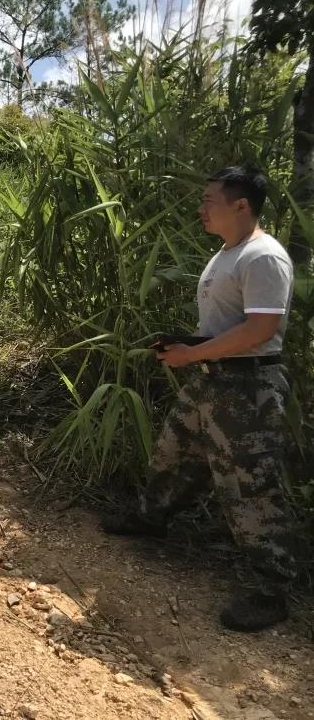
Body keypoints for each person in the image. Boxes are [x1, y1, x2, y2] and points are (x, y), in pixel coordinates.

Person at [103, 166, 300, 633]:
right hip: (214, 377)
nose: (201, 207)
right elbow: (230, 326)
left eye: (210, 199)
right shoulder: (228, 253)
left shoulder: (263, 257)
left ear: (241, 205)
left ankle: (273, 589)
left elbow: (260, 329)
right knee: (175, 451)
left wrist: (193, 354)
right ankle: (153, 518)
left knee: (250, 487)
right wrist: (188, 347)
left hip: (248, 388)